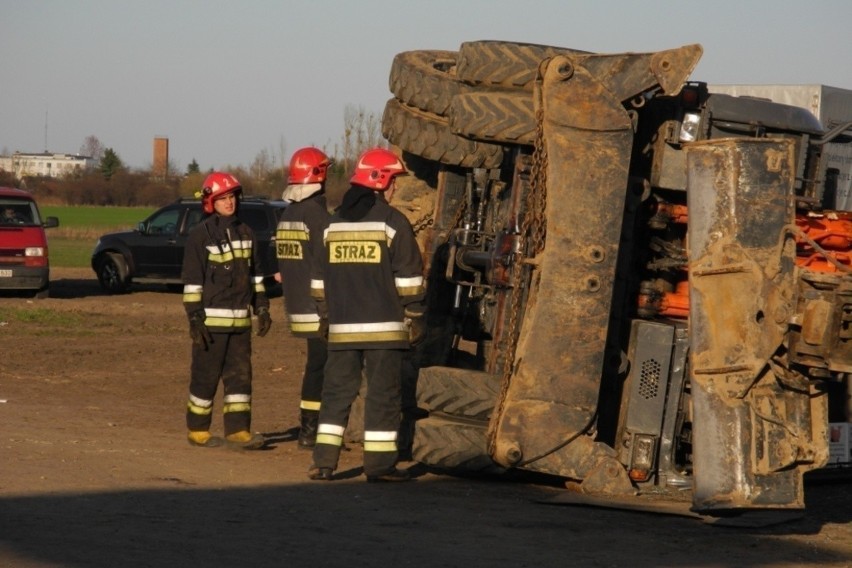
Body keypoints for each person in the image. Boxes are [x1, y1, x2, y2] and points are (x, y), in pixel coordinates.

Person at [309, 148, 426, 482]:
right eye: (393, 182)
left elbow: (318, 283)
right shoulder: (393, 223)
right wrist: (416, 316)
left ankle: (323, 463)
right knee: (383, 398)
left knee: (335, 395)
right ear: (381, 181)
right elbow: (409, 281)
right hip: (385, 331)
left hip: (342, 330)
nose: (395, 190)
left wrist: (325, 317)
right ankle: (379, 467)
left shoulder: (332, 225)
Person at [181, 171, 272, 450]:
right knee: (205, 376)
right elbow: (193, 282)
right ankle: (198, 431)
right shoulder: (200, 236)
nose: (229, 203)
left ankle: (238, 431)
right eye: (223, 198)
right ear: (211, 202)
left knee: (240, 378)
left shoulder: (247, 233)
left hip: (240, 324)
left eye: (232, 197)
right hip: (210, 324)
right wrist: (195, 318)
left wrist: (263, 308)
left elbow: (256, 277)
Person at [276, 147, 332, 448]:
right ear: (319, 175)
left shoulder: (288, 214)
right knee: (324, 369)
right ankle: (312, 432)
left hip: (298, 306)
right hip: (320, 308)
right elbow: (328, 262)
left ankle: (308, 429)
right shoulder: (316, 215)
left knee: (315, 367)